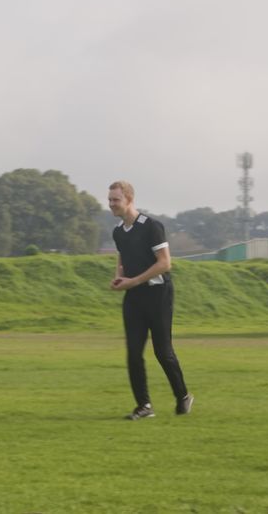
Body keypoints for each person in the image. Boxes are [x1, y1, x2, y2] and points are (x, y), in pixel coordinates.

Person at [107, 180, 193, 420]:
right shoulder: (117, 232)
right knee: (133, 353)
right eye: (110, 200)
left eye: (116, 200)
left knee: (162, 351)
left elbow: (165, 263)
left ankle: (183, 396)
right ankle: (144, 406)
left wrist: (133, 281)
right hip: (134, 297)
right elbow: (122, 258)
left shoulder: (151, 226)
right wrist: (119, 278)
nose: (111, 204)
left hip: (158, 295)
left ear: (129, 200)